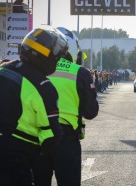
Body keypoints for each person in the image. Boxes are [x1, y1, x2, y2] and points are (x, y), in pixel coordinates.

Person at [0, 27, 68, 185]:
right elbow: (51, 136)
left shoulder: (3, 69)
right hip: (15, 159)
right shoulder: (44, 87)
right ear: (47, 56)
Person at [32, 27, 99, 186]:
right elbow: (90, 112)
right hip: (66, 139)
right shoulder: (80, 73)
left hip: (36, 138)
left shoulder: (35, 70)